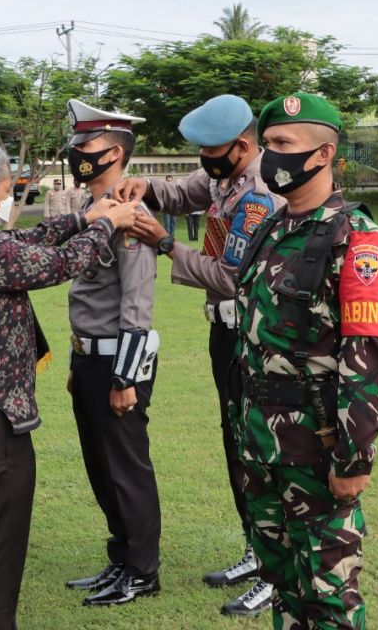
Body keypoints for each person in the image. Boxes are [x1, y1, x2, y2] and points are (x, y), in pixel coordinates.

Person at [0, 140, 135, 630]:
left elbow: (24, 244)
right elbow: (61, 265)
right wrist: (107, 224)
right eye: (4, 190)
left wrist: (82, 218)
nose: (8, 197)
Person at [116, 94, 283, 617]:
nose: (205, 163)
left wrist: (166, 244)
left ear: (243, 145)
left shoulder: (258, 195)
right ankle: (257, 552)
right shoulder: (223, 176)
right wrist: (145, 185)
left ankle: (275, 571)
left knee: (258, 451)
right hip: (224, 337)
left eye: (213, 152)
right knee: (237, 446)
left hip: (249, 338)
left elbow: (230, 278)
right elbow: (182, 189)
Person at [235, 93, 378, 629]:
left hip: (317, 447)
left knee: (328, 595)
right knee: (283, 584)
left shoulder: (357, 238)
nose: (270, 157)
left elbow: (365, 359)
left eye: (283, 145)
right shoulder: (271, 229)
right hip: (261, 442)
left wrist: (353, 461)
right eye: (268, 145)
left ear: (324, 154)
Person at [62, 99, 162, 607]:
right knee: (101, 467)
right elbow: (84, 296)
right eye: (76, 144)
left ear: (116, 152)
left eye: (88, 146)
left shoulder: (131, 217)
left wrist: (124, 376)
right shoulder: (90, 212)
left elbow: (136, 304)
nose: (77, 153)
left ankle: (143, 570)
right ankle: (122, 557)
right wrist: (78, 361)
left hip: (119, 360)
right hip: (90, 357)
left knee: (126, 467)